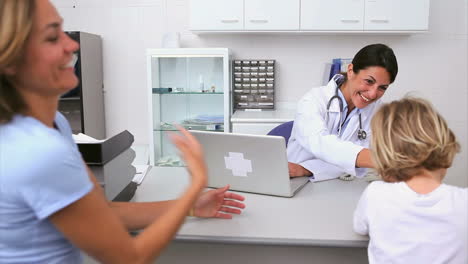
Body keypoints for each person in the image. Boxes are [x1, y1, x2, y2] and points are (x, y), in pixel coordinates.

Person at [0, 0, 245, 263]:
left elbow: (103, 213)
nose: (72, 45)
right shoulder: (38, 153)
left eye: (63, 32)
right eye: (51, 38)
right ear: (10, 59)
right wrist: (196, 183)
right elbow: (129, 257)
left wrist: (191, 207)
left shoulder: (55, 124)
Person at [353, 97, 467, 263]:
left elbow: (360, 227)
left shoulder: (376, 195)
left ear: (384, 155)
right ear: (447, 146)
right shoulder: (463, 202)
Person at [287, 43, 398, 181]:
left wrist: (306, 169)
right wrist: (382, 159)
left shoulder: (378, 111)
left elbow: (355, 163)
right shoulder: (313, 100)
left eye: (382, 88)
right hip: (295, 181)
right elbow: (320, 144)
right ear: (350, 71)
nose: (372, 94)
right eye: (369, 81)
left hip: (340, 185)